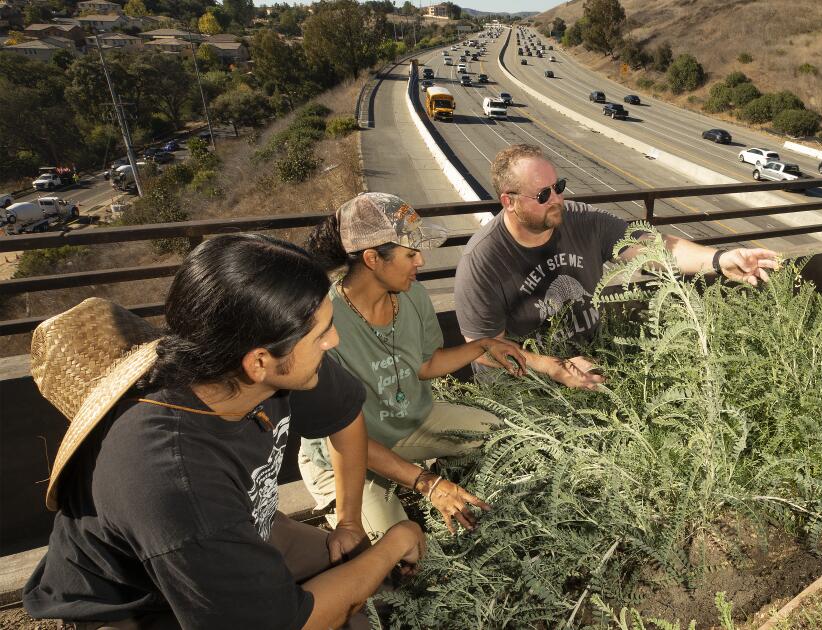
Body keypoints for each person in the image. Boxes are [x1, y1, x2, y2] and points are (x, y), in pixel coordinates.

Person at [23, 234, 422, 629]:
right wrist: (393, 544)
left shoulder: (260, 354)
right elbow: (286, 624)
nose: (332, 341)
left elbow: (344, 416)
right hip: (139, 602)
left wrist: (350, 522)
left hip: (245, 524)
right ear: (259, 363)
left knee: (374, 589)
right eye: (321, 335)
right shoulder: (174, 477)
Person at [302, 192, 533, 540]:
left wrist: (483, 346)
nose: (421, 262)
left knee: (508, 436)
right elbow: (347, 440)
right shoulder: (325, 324)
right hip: (348, 457)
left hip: (409, 423)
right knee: (401, 554)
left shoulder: (412, 296)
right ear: (372, 259)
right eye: (410, 254)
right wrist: (427, 483)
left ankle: (442, 473)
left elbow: (425, 364)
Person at [454, 143, 781, 381]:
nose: (557, 199)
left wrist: (719, 258)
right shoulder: (483, 259)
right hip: (521, 382)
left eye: (559, 187)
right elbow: (485, 349)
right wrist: (555, 367)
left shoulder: (583, 221)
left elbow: (654, 248)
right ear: (509, 202)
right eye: (543, 195)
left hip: (588, 361)